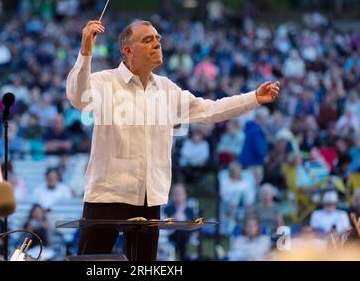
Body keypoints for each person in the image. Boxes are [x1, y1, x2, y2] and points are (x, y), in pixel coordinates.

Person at [66, 19, 280, 261]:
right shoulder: (105, 81)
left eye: (158, 39)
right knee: (90, 265)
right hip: (106, 195)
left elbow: (210, 110)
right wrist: (85, 52)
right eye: (147, 40)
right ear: (128, 51)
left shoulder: (167, 89)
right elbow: (77, 97)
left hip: (149, 196)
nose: (157, 44)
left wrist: (254, 98)